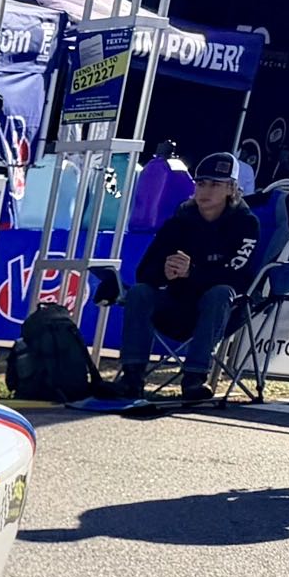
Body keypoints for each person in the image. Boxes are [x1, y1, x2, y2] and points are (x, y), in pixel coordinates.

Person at [110, 153, 260, 404]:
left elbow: (235, 274)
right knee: (140, 291)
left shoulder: (246, 224)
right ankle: (132, 377)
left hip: (222, 311)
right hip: (176, 303)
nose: (206, 190)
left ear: (231, 189)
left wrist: (193, 272)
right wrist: (164, 272)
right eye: (201, 183)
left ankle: (194, 379)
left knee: (220, 292)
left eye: (215, 184)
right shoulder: (179, 222)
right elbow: (145, 271)